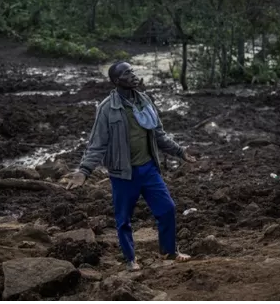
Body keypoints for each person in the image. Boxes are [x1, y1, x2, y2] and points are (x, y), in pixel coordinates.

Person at [67, 61, 196, 271]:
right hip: (123, 174)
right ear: (118, 81)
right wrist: (84, 171)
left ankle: (169, 252)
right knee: (124, 219)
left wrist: (180, 152)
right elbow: (97, 144)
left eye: (133, 71)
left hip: (148, 169)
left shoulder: (145, 100)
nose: (134, 75)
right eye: (128, 73)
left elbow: (158, 134)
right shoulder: (107, 108)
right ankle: (130, 259)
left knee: (167, 209)